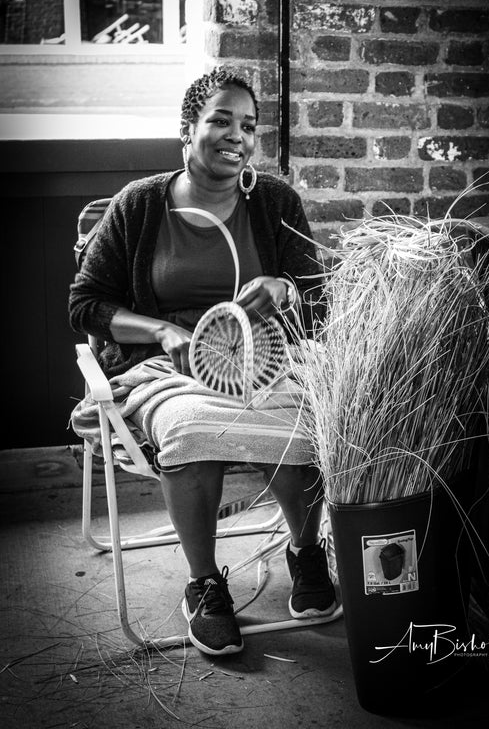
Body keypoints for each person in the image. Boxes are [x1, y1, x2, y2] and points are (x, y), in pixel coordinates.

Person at [69, 66, 336, 656]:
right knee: (191, 426)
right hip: (168, 370)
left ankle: (304, 549)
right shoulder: (140, 205)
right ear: (188, 129)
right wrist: (162, 330)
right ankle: (206, 583)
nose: (236, 135)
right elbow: (85, 304)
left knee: (309, 421)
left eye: (249, 125)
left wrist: (286, 288)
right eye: (221, 120)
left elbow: (320, 299)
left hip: (264, 363)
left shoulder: (275, 202)